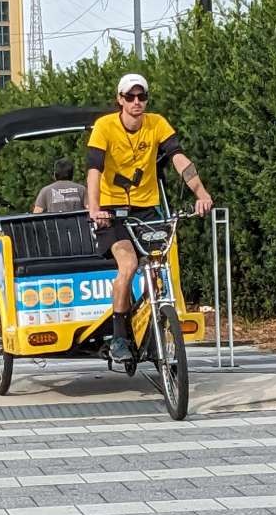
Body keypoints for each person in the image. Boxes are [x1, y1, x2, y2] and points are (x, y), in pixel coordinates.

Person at [86, 73, 213, 363]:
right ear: (120, 100)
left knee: (158, 265)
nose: (136, 102)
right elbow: (94, 170)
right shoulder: (105, 126)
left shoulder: (157, 123)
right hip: (112, 211)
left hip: (146, 209)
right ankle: (119, 337)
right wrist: (95, 209)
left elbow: (180, 160)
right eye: (130, 97)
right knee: (129, 265)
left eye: (141, 96)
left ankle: (153, 319)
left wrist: (201, 193)